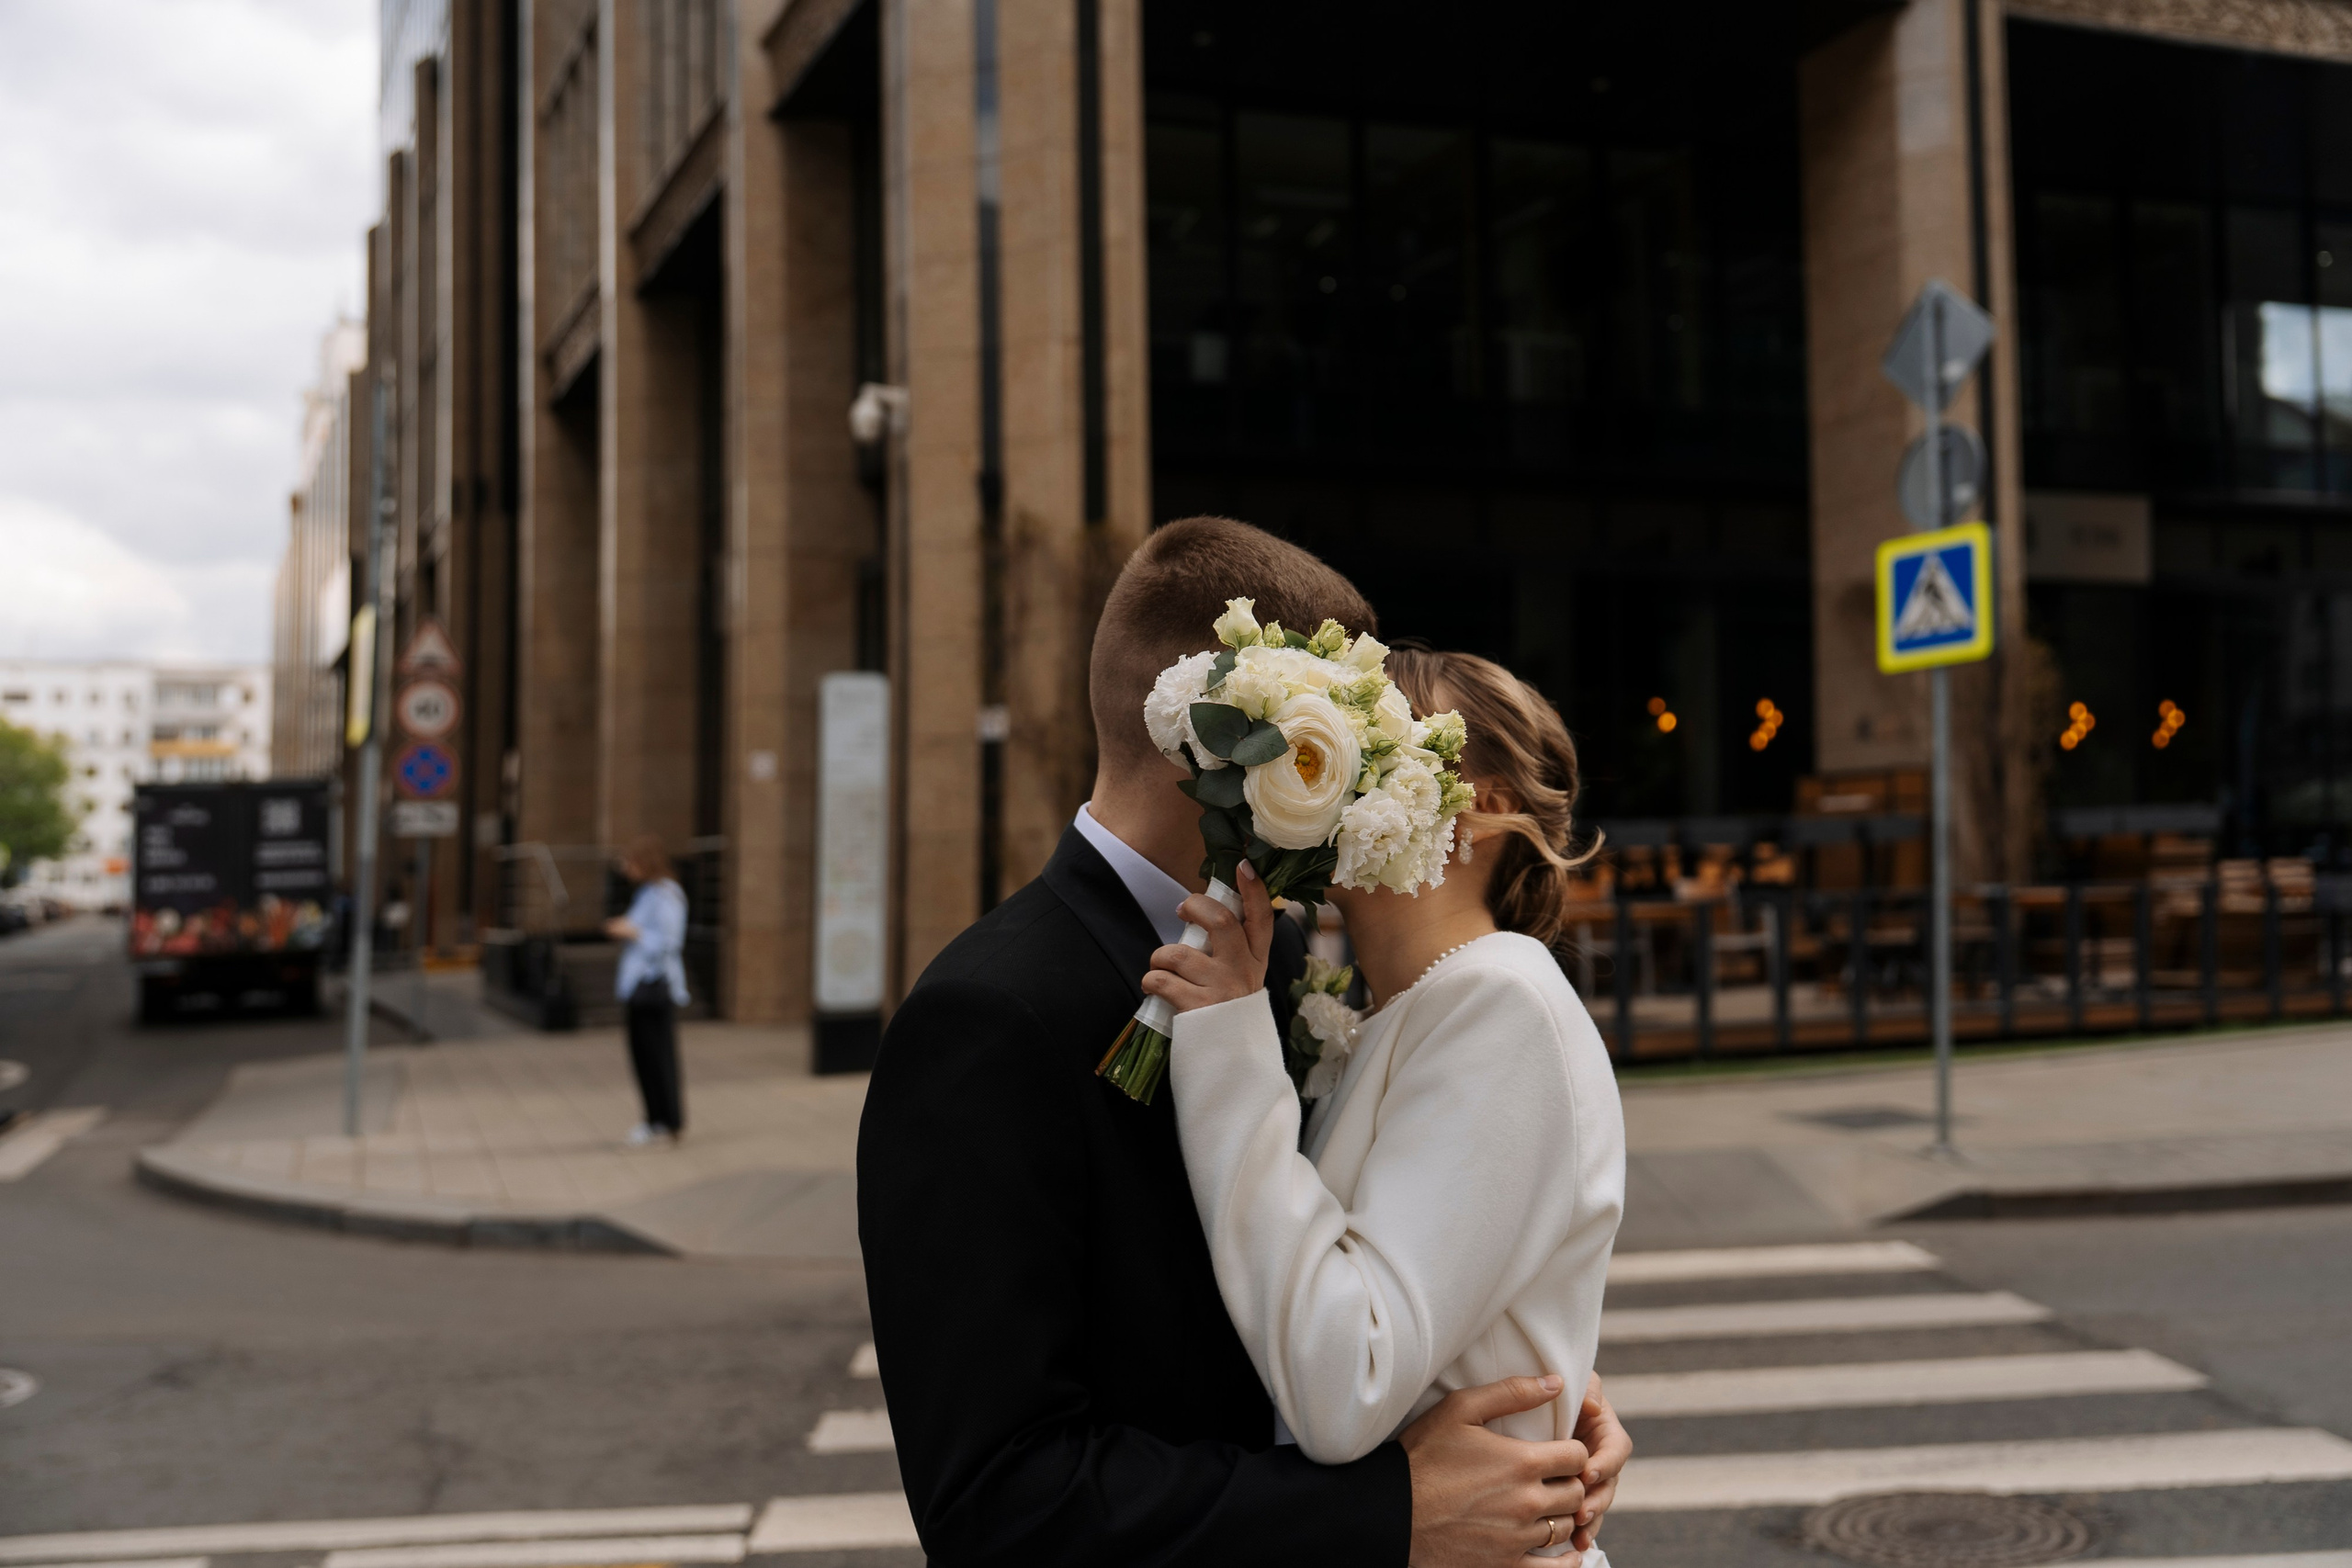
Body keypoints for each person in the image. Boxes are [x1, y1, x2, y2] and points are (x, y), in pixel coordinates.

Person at [858, 518, 1630, 1568]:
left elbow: (1367, 1254)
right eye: (1351, 735)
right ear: (1235, 736)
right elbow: (996, 1502)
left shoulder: (1272, 963)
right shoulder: (987, 1018)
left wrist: (1529, 1368)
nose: (1368, 778)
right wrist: (1386, 1515)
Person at [1148, 647, 1624, 1561]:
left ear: (1482, 805)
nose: (1342, 752)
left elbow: (1347, 1385)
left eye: (1386, 732)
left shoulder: (1502, 997)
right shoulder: (1385, 1012)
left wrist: (1228, 1047)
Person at [605, 835, 688, 1145]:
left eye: (629, 862)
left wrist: (632, 931)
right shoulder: (649, 893)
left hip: (654, 986)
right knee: (644, 1057)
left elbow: (669, 941)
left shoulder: (666, 893)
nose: (625, 869)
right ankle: (657, 1120)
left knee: (657, 1057)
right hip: (640, 987)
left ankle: (664, 1121)